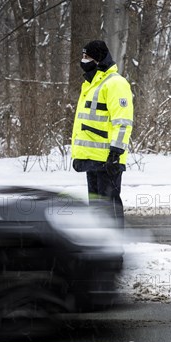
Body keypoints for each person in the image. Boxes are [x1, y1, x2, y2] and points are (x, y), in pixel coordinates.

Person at [71, 40, 133, 228]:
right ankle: (101, 253)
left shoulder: (115, 84)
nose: (83, 60)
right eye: (83, 56)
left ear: (98, 59)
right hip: (92, 160)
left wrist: (116, 152)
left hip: (108, 160)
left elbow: (122, 122)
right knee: (97, 212)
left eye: (87, 57)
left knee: (109, 211)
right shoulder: (90, 85)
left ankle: (114, 254)